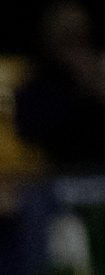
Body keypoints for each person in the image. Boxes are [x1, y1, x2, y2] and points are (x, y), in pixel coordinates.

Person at [15, 4, 105, 170]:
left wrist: (97, 89)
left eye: (80, 39)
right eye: (67, 40)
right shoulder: (38, 78)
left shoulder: (99, 69)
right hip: (60, 170)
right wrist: (78, 89)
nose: (75, 51)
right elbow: (29, 129)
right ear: (49, 40)